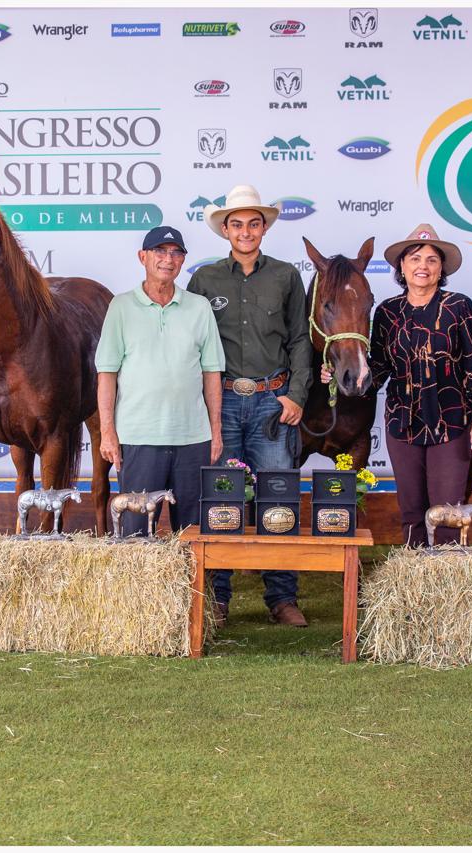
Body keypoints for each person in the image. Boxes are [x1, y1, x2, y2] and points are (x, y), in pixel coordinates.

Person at [187, 185, 314, 627]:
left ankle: (282, 598)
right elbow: (192, 343)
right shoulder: (204, 280)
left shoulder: (285, 276)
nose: (245, 231)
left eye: (253, 223)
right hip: (221, 401)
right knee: (221, 501)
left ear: (264, 228)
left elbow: (300, 339)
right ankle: (218, 599)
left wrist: (296, 395)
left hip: (271, 403)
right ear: (225, 230)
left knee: (277, 497)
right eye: (237, 224)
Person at [353, 224, 472, 547]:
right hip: (402, 424)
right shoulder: (387, 312)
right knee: (413, 512)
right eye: (415, 258)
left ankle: (445, 587)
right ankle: (414, 589)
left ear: (441, 268)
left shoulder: (459, 308)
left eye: (432, 260)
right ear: (401, 266)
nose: (423, 266)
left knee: (446, 513)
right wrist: (342, 378)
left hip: (452, 423)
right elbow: (379, 368)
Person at [95, 226, 225, 536]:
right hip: (138, 438)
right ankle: (138, 588)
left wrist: (215, 432)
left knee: (192, 532)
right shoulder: (121, 307)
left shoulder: (199, 307)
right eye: (160, 251)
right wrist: (107, 431)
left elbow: (212, 374)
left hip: (193, 439)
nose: (168, 259)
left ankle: (192, 586)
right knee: (136, 532)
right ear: (143, 257)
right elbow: (107, 374)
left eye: (176, 253)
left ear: (182, 261)